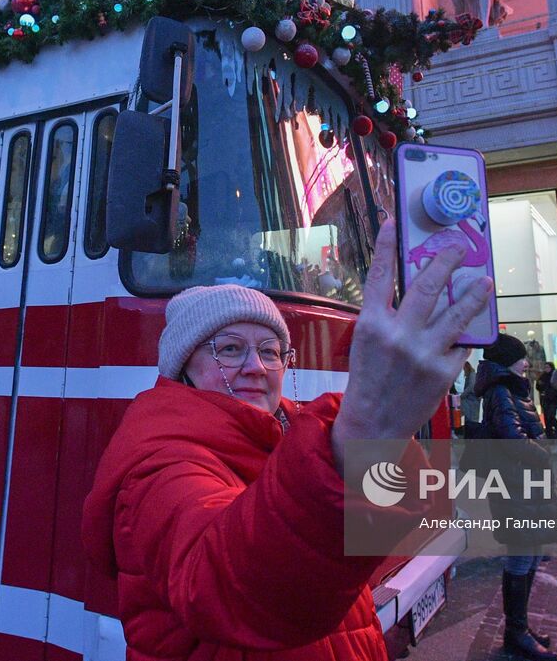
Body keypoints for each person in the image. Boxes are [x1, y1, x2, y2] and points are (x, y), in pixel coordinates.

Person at [81, 221, 492, 661]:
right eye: (231, 349)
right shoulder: (161, 462)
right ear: (185, 367)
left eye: (271, 351)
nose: (257, 367)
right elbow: (230, 587)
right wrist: (366, 434)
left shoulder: (296, 437)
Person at [474, 334, 557, 661]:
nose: (526, 362)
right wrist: (545, 455)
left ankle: (521, 628)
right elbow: (513, 438)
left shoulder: (511, 388)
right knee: (522, 554)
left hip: (526, 486)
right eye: (521, 357)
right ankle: (515, 632)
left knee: (533, 552)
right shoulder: (501, 390)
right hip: (516, 487)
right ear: (508, 359)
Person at [536, 361, 557, 442]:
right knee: (547, 418)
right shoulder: (543, 376)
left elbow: (556, 387)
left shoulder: (555, 376)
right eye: (545, 367)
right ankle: (550, 434)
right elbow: (538, 386)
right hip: (545, 400)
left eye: (548, 367)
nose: (546, 369)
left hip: (553, 400)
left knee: (551, 416)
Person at [460, 360, 484, 439]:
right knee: (471, 420)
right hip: (472, 401)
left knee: (470, 421)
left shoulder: (471, 375)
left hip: (471, 402)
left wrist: (461, 396)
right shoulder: (472, 375)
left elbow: (470, 387)